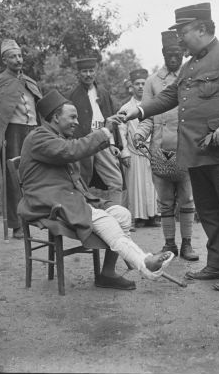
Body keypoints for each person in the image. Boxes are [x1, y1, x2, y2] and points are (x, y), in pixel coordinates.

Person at [120, 3, 219, 291]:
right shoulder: (189, 65)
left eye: (183, 32)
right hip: (200, 152)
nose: (180, 39)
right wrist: (137, 112)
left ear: (202, 28)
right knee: (209, 212)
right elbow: (170, 95)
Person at [17, 90, 174, 291]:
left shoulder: (55, 136)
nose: (76, 122)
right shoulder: (39, 137)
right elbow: (71, 151)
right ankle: (145, 263)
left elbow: (73, 152)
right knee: (107, 220)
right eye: (72, 117)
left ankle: (107, 273)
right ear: (56, 117)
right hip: (47, 203)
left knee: (123, 215)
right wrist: (105, 132)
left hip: (68, 199)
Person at [134, 30, 199, 261]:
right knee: (165, 201)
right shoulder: (152, 81)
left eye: (178, 54)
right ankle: (169, 244)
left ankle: (188, 245)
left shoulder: (190, 76)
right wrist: (140, 134)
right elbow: (147, 115)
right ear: (162, 53)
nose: (174, 58)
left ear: (183, 53)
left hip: (186, 148)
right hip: (159, 150)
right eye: (169, 54)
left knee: (188, 198)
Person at [0, 39, 42, 239]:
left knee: (33, 175)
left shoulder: (30, 82)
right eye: (13, 56)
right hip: (12, 134)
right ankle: (17, 224)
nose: (18, 60)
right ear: (4, 60)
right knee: (14, 178)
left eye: (20, 56)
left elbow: (40, 107)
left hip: (32, 132)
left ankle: (33, 218)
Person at [66, 56, 125, 206]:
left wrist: (112, 143)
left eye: (91, 70)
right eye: (84, 71)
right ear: (78, 74)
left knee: (116, 180)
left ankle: (116, 217)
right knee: (81, 181)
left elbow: (111, 118)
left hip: (103, 139)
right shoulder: (72, 95)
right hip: (84, 142)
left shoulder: (103, 93)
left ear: (96, 72)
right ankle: (81, 217)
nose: (88, 74)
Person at [118, 68, 159, 228]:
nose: (141, 87)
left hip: (152, 150)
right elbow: (121, 132)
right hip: (134, 152)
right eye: (137, 84)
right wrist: (124, 152)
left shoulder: (155, 104)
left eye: (143, 83)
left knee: (153, 184)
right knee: (136, 184)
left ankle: (154, 215)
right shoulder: (125, 108)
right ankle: (138, 216)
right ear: (131, 87)